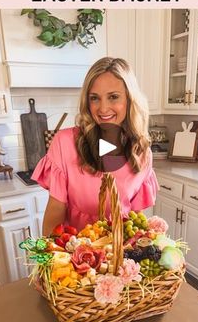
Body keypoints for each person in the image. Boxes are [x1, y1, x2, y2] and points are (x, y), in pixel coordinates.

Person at [32, 57, 159, 236]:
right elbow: (55, 210)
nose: (103, 108)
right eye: (95, 98)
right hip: (73, 251)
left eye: (113, 97)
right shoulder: (65, 142)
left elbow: (135, 218)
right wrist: (50, 258)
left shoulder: (142, 152)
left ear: (130, 99)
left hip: (118, 253)